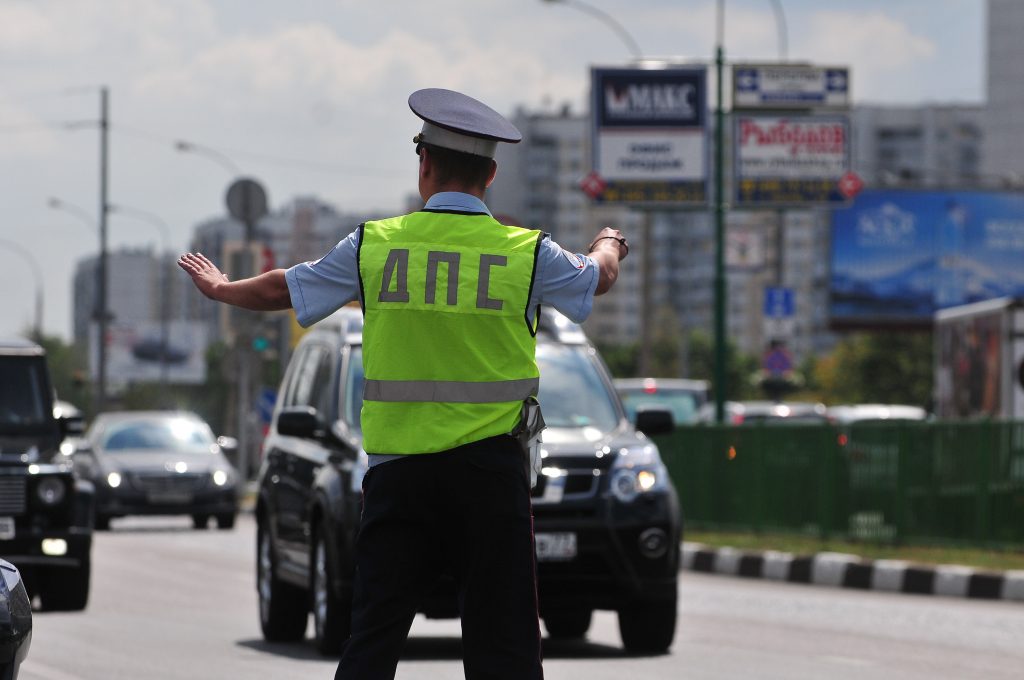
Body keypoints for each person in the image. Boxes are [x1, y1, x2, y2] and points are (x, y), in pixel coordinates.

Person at [178, 87, 628, 680]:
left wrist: (223, 288)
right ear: (490, 175)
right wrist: (609, 241)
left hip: (399, 476)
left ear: (424, 166)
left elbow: (286, 286)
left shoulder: (374, 245)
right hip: (491, 478)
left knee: (373, 637)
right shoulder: (526, 253)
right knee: (505, 646)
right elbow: (596, 279)